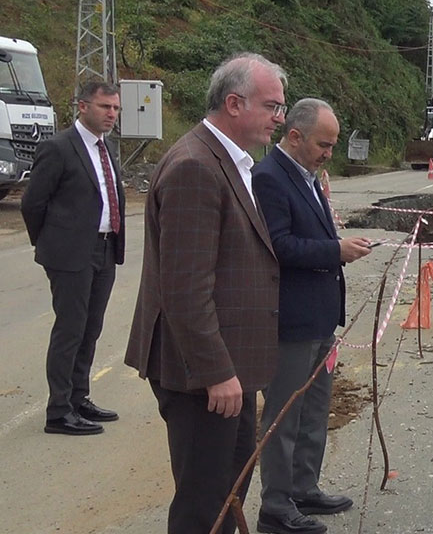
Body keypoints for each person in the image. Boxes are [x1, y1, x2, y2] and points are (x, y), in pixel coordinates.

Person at [124, 52, 287, 534]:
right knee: (203, 505)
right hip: (202, 376)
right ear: (234, 104)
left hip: (230, 368)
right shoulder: (195, 166)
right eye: (272, 106)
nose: (279, 117)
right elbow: (185, 289)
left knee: (228, 492)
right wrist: (216, 372)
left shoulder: (230, 162)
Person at [252, 99, 373, 534]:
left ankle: (304, 488)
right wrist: (335, 251)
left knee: (314, 409)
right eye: (323, 144)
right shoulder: (268, 179)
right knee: (285, 414)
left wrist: (337, 245)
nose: (329, 154)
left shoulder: (308, 177)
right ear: (295, 136)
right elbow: (278, 247)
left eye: (333, 145)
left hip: (320, 320)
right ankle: (276, 506)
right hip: (291, 321)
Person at [21, 81, 126, 436]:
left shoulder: (107, 149)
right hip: (70, 254)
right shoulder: (59, 148)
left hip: (105, 248)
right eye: (104, 107)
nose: (111, 114)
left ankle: (80, 398)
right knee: (70, 329)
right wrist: (51, 245)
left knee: (90, 329)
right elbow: (33, 202)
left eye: (115, 108)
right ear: (82, 107)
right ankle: (58, 410)